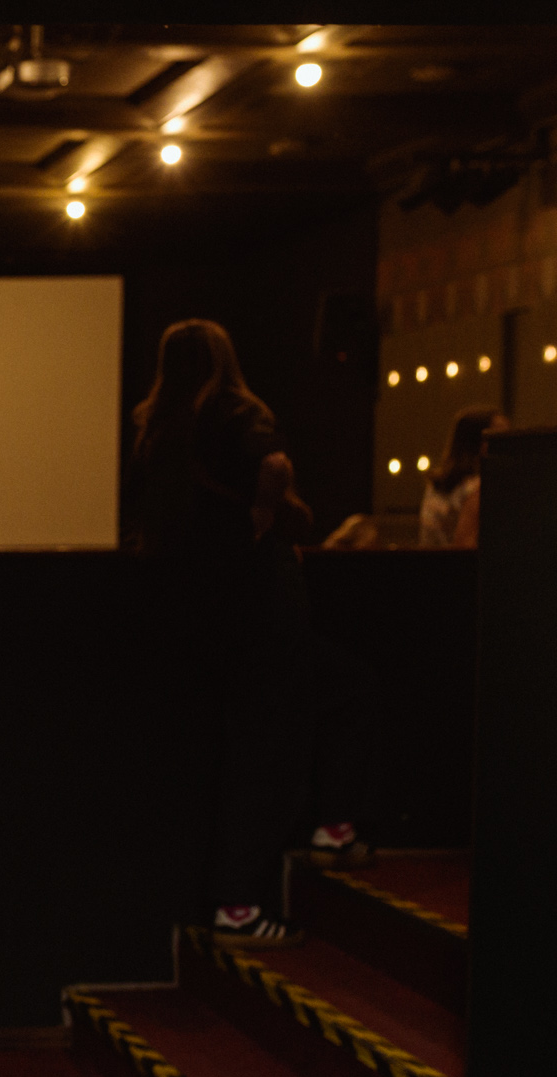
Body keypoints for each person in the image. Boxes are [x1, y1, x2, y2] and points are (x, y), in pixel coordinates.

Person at [126, 320, 375, 944]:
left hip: (199, 614)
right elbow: (274, 463)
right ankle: (286, 867)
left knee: (233, 750)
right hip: (261, 607)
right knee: (295, 729)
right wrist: (262, 517)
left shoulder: (156, 429)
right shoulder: (234, 409)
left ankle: (244, 889)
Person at [420, 405, 507, 548]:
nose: (508, 443)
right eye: (499, 436)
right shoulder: (477, 489)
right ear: (479, 442)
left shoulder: (438, 484)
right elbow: (466, 547)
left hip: (430, 561)